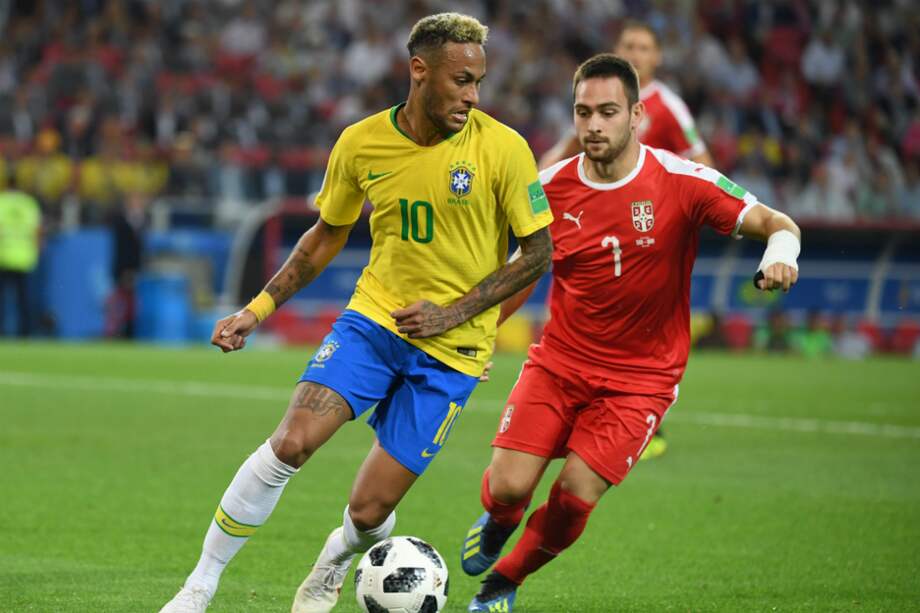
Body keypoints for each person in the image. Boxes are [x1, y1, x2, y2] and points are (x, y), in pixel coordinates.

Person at [160, 12, 553, 613]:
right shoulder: (361, 142)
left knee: (371, 514)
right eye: (460, 81)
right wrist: (257, 309)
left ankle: (335, 560)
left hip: (453, 354)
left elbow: (538, 254)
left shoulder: (504, 149)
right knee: (290, 443)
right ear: (419, 71)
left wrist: (456, 315)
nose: (473, 96)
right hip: (374, 324)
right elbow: (324, 236)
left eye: (479, 81)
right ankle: (199, 587)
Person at [462, 54, 800, 612]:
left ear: (637, 115)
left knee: (574, 497)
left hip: (641, 379)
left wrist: (781, 254)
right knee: (507, 489)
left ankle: (504, 581)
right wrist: (477, 336)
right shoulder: (548, 189)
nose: (594, 125)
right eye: (583, 112)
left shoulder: (680, 181)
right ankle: (499, 520)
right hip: (559, 363)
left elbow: (777, 223)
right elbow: (516, 270)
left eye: (608, 112)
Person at [539, 20, 713, 460]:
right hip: (595, 224)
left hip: (650, 233)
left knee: (648, 325)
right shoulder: (600, 101)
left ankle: (644, 420)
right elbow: (561, 152)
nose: (635, 53)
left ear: (657, 58)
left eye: (644, 47)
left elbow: (702, 160)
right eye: (628, 45)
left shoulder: (668, 106)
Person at [0, 177, 42, 337]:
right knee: (23, 299)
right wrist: (37, 251)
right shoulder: (29, 203)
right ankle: (24, 333)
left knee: (2, 299)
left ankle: (1, 332)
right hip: (24, 258)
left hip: (3, 256)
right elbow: (38, 231)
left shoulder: (1, 201)